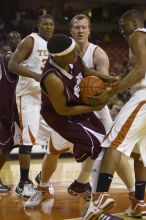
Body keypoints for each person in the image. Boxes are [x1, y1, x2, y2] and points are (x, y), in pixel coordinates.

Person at [24, 34, 117, 209]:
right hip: (63, 119)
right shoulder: (52, 78)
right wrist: (94, 107)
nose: (76, 54)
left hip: (79, 110)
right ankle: (95, 202)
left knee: (102, 143)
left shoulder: (73, 56)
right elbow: (62, 110)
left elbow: (86, 71)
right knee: (97, 146)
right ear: (58, 57)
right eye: (72, 53)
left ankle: (81, 184)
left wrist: (107, 79)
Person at [83, 9, 146, 219]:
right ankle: (139, 203)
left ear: (135, 22)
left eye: (124, 25)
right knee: (139, 154)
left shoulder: (137, 34)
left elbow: (140, 71)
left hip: (144, 97)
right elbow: (133, 72)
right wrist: (115, 81)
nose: (121, 30)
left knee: (112, 143)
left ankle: (99, 197)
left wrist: (110, 93)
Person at [8, 14, 55, 198]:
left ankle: (41, 176)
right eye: (45, 23)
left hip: (44, 97)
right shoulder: (31, 40)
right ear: (38, 25)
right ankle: (23, 183)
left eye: (51, 24)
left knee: (56, 139)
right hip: (27, 96)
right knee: (26, 141)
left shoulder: (53, 45)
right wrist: (35, 76)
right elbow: (12, 65)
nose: (49, 27)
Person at [0, 31, 40, 192]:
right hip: (8, 104)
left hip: (16, 103)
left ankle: (30, 180)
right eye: (12, 38)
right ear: (8, 42)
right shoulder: (10, 57)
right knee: (7, 145)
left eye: (18, 38)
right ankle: (25, 182)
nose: (16, 40)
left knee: (11, 144)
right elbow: (27, 63)